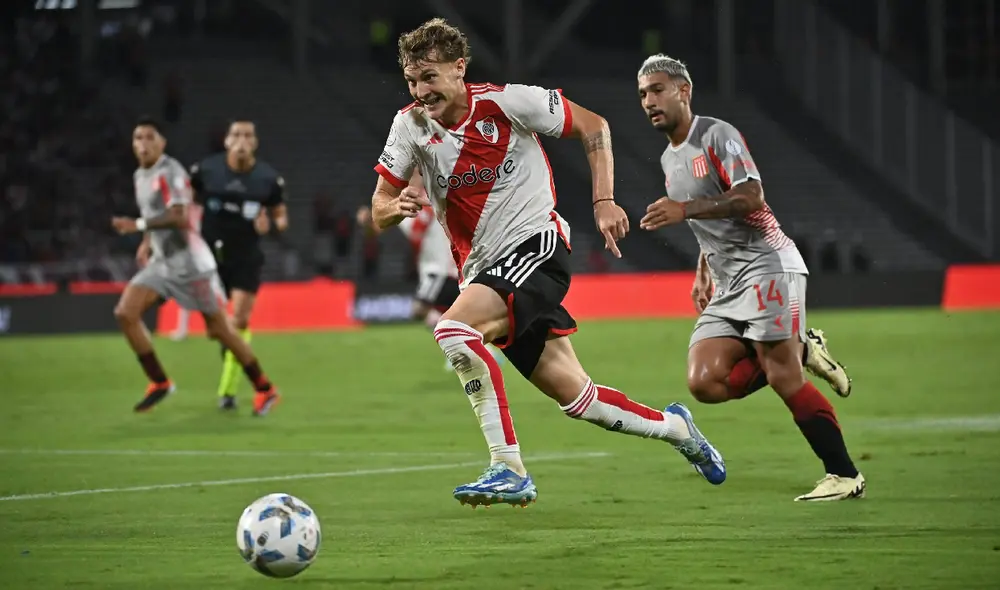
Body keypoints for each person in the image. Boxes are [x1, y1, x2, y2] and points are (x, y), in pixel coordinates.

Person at [371, 18, 727, 509]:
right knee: (580, 401)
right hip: (484, 272)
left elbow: (594, 126)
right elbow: (379, 205)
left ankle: (507, 467)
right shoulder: (408, 125)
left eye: (429, 77)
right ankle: (678, 430)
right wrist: (397, 208)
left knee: (453, 330)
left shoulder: (509, 102)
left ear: (459, 68)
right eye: (412, 80)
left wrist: (604, 200)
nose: (420, 91)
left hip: (536, 248)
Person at [636, 54, 864, 501]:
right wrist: (704, 269)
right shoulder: (668, 159)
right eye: (643, 94)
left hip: (768, 265)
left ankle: (844, 475)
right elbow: (710, 223)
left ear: (684, 90)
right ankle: (802, 347)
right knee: (704, 382)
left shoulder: (716, 135)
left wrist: (683, 210)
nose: (648, 101)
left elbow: (749, 197)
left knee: (784, 378)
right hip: (727, 282)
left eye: (658, 89)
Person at [111, 117, 281, 416]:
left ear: (162, 143)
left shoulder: (171, 172)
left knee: (221, 331)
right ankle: (159, 382)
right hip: (163, 263)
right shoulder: (141, 174)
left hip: (192, 265)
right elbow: (157, 212)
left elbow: (177, 215)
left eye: (150, 138)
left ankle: (264, 388)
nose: (143, 144)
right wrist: (148, 240)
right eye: (138, 138)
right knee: (126, 312)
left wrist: (136, 226)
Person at [356, 168, 504, 371]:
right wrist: (369, 221)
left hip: (441, 271)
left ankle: (463, 350)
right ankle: (474, 351)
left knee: (421, 310)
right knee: (453, 318)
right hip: (443, 271)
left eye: (417, 176)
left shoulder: (431, 204)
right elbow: (380, 227)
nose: (413, 181)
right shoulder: (419, 207)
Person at [190, 119, 288, 411]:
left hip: (246, 257)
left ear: (255, 143)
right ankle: (235, 365)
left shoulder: (269, 179)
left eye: (248, 135)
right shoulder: (206, 171)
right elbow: (188, 204)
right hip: (210, 259)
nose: (242, 140)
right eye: (236, 134)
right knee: (219, 330)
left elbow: (282, 220)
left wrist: (269, 224)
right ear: (227, 141)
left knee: (239, 322)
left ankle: (228, 391)